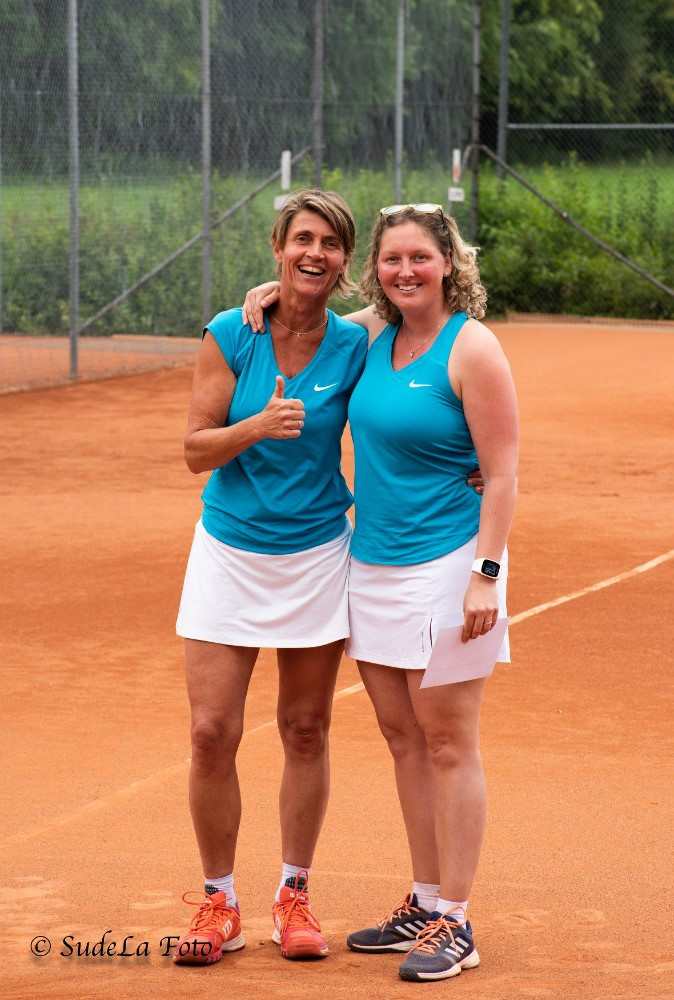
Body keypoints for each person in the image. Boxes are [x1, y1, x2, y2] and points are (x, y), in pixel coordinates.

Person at [244, 202, 518, 983]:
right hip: (372, 566)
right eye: (392, 259)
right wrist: (268, 293)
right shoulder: (370, 337)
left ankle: (456, 920)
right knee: (402, 738)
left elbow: (503, 473)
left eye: (420, 258)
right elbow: (314, 314)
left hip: (451, 566)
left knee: (448, 742)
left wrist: (486, 575)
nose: (406, 271)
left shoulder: (474, 348)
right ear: (377, 271)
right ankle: (424, 901)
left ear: (448, 263)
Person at [173, 189, 368, 966]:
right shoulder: (232, 332)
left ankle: (295, 895)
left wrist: (470, 465)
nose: (314, 253)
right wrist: (256, 426)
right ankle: (218, 902)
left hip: (317, 555)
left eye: (330, 244)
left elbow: (427, 339)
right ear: (278, 247)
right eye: (302, 240)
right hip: (228, 553)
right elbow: (195, 449)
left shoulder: (356, 343)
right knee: (210, 732)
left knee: (306, 728)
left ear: (345, 262)